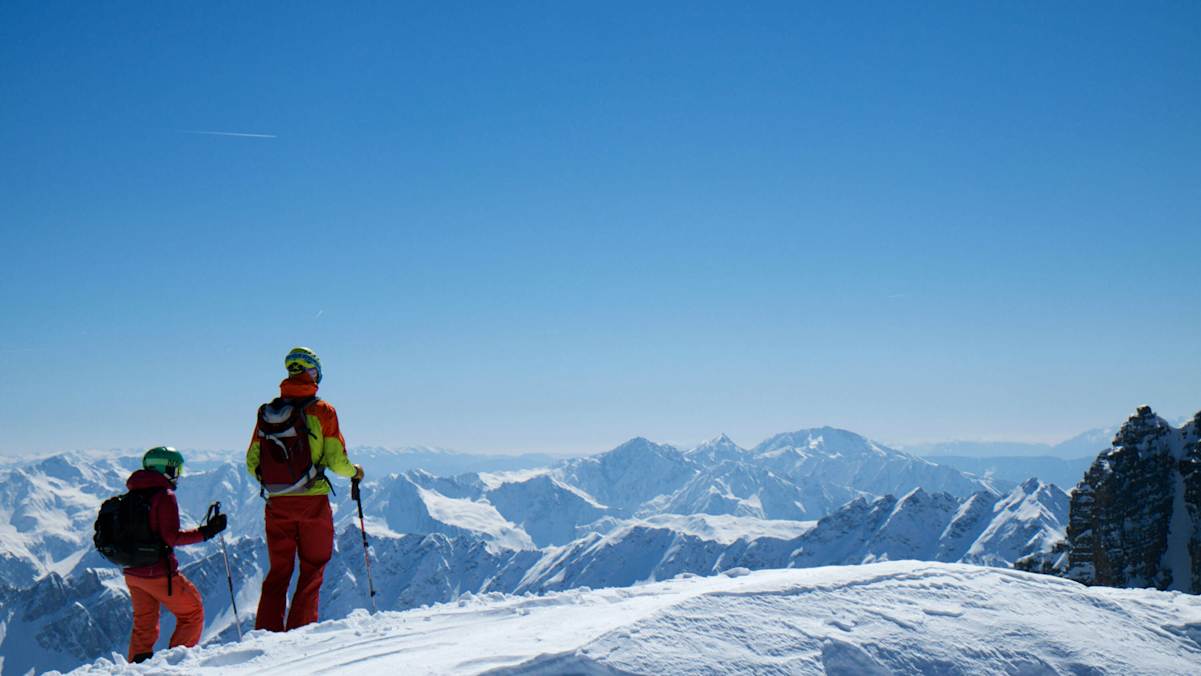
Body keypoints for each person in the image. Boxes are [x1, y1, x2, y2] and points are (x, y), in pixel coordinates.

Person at [246, 346, 363, 632]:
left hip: (277, 503)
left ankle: (266, 634)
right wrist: (356, 472)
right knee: (312, 567)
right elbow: (337, 461)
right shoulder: (323, 411)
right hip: (312, 502)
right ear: (313, 372)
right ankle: (300, 634)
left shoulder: (267, 412)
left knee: (278, 572)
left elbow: (252, 462)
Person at [123, 446, 227, 663]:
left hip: (132, 573)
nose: (178, 474)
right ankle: (175, 665)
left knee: (145, 625)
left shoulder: (132, 494)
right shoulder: (164, 495)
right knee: (192, 612)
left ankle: (137, 668)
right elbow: (172, 537)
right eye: (176, 469)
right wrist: (207, 532)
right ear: (166, 468)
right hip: (159, 573)